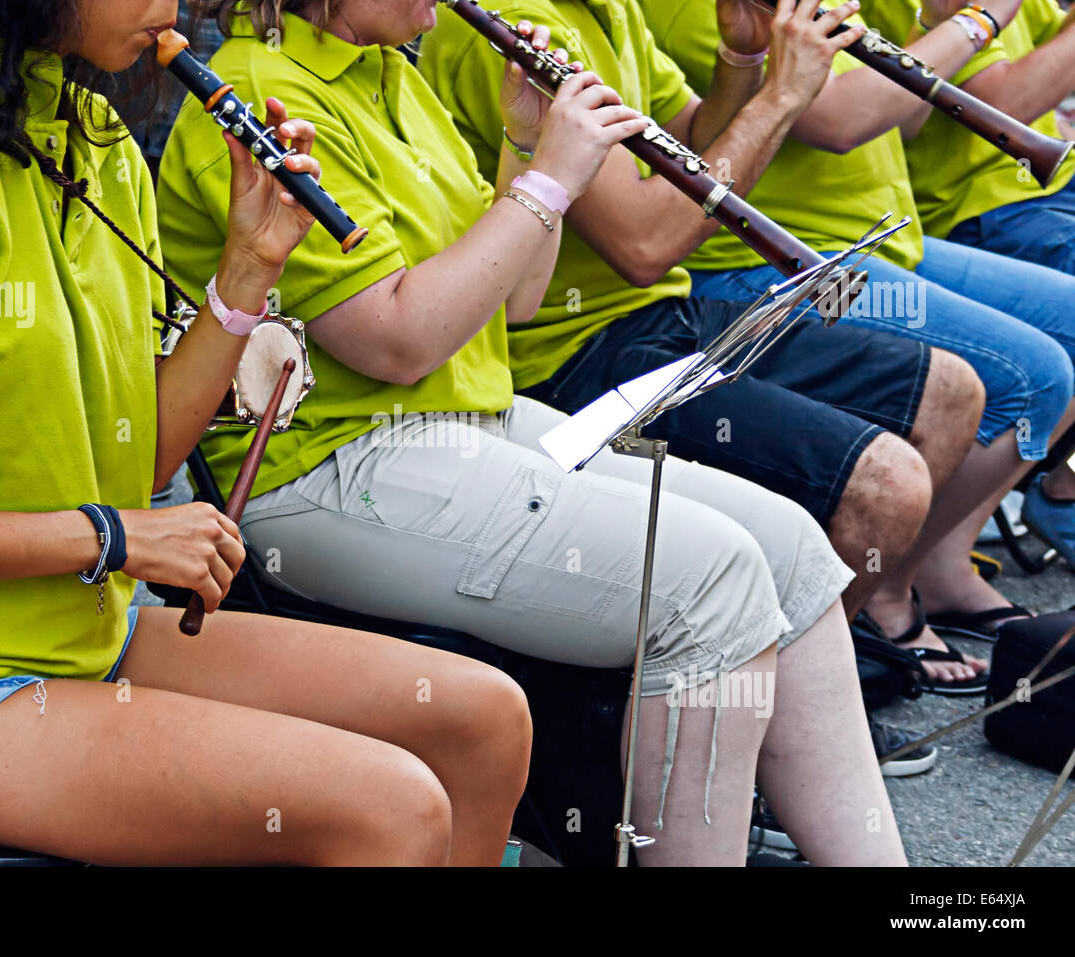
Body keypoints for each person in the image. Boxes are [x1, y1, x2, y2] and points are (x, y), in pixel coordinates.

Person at [0, 0, 535, 866]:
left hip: (89, 631)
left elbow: (139, 461)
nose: (171, 7)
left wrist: (249, 269)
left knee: (482, 719)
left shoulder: (92, 137)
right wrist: (112, 537)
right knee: (391, 811)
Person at [158, 0, 907, 865]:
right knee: (714, 585)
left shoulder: (393, 67)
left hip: (468, 415)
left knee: (793, 550)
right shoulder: (261, 93)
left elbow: (512, 300)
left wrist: (526, 142)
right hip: (330, 463)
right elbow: (397, 342)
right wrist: (547, 178)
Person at [419, 0, 1025, 695]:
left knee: (951, 393)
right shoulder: (514, 30)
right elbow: (645, 243)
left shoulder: (605, 9)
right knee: (886, 484)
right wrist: (785, 93)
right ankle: (782, 716)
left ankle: (826, 656)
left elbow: (687, 138)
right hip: (572, 353)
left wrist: (741, 60)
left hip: (663, 314)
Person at [628, 0, 1075, 662]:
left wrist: (932, 24)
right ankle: (885, 596)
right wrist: (981, 19)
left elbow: (911, 113)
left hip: (879, 239)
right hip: (766, 261)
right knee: (1027, 371)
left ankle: (942, 564)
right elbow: (840, 121)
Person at [863, 0, 1075, 565]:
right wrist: (972, 20)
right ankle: (934, 559)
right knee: (1035, 366)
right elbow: (1002, 110)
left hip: (1036, 190)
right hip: (976, 206)